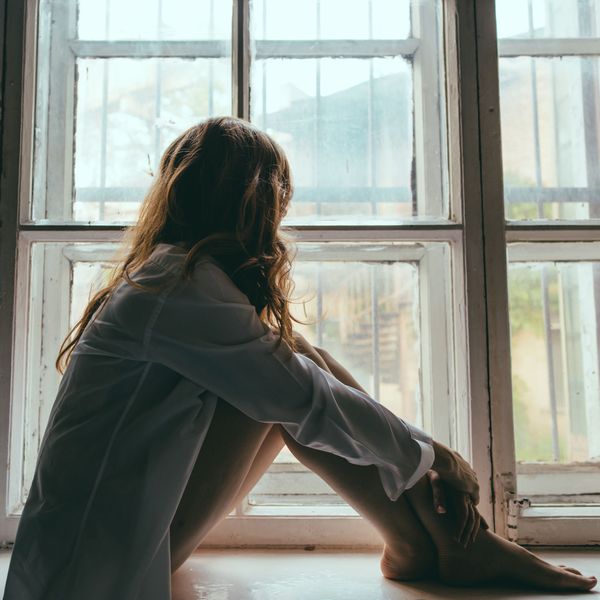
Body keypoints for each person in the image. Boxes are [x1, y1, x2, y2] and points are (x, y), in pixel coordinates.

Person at [2, 117, 596, 600]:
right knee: (295, 380)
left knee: (297, 361)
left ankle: (430, 544)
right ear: (258, 204)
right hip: (90, 578)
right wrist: (438, 457)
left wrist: (423, 458)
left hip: (116, 550)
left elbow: (301, 385)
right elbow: (306, 400)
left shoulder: (176, 280)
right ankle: (448, 545)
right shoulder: (178, 290)